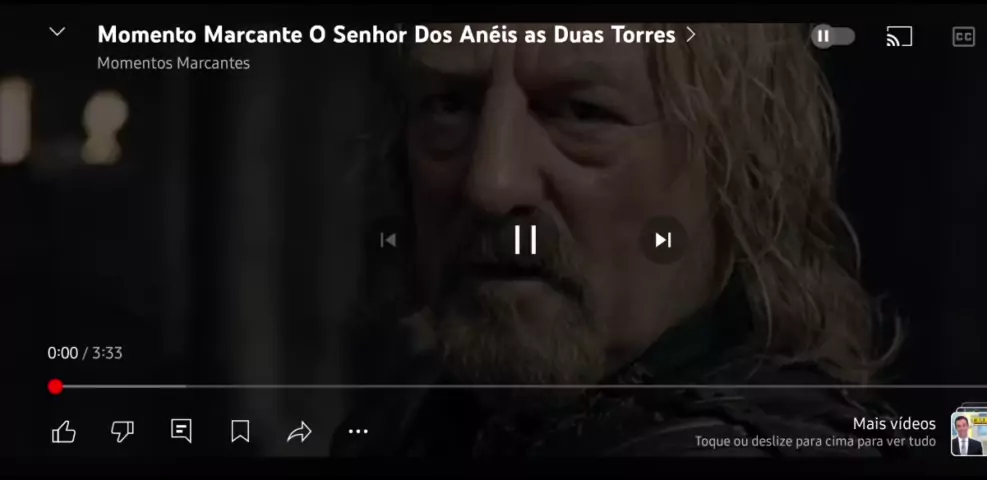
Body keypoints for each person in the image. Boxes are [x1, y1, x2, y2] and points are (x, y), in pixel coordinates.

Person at [334, 23, 901, 457]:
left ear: (740, 177)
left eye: (583, 112)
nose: (490, 183)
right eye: (450, 106)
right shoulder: (405, 427)